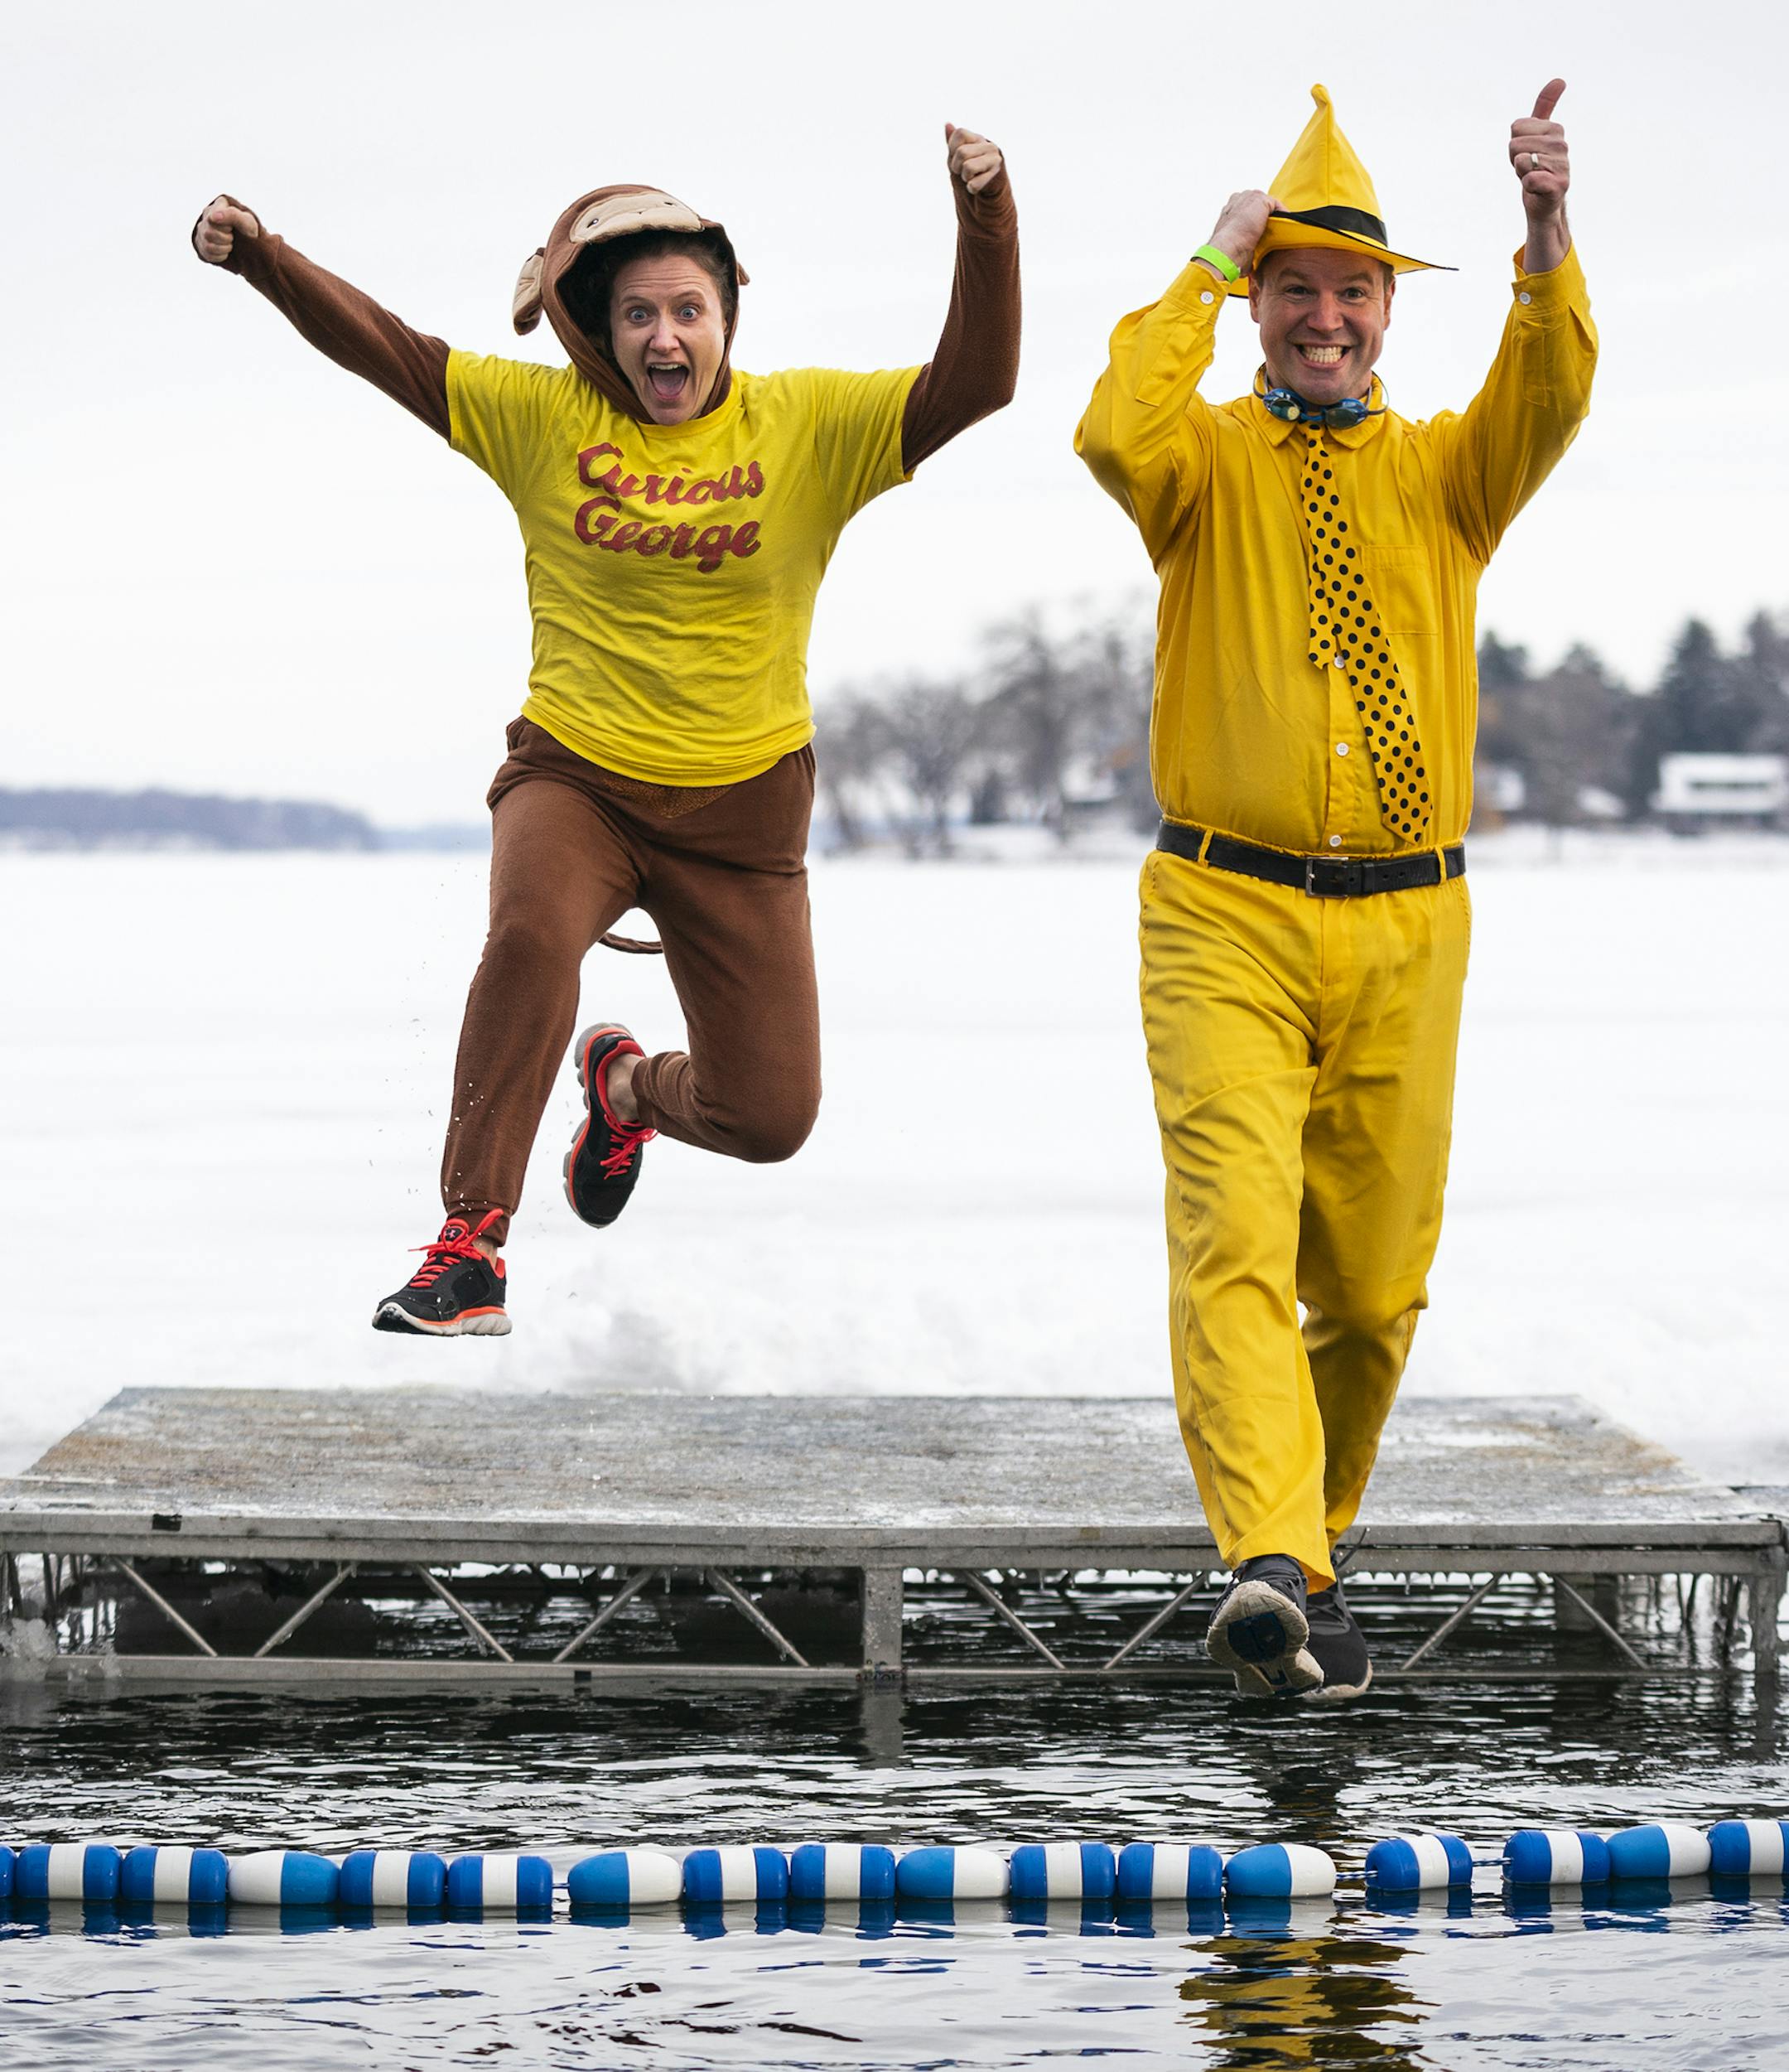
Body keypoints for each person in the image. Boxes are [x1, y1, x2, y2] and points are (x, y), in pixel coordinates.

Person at [193, 128, 1019, 1336]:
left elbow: (977, 382)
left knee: (770, 1116)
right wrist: (267, 259)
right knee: (528, 935)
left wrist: (985, 217)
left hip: (741, 812)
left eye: (688, 307)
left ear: (730, 313)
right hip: (572, 779)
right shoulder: (541, 418)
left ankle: (625, 1088)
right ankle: (470, 1243)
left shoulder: (810, 429)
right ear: (597, 330)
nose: (665, 337)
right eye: (637, 314)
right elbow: (389, 351)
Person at [1076, 82, 1594, 1699]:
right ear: (1262, 308)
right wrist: (1209, 263)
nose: (1322, 317)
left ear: (1384, 317)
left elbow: (1554, 388)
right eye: (1294, 289)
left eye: (1348, 293)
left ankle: (1310, 1553)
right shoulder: (1200, 465)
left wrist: (1545, 230)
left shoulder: (1451, 478)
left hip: (1409, 923)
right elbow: (1114, 430)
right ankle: (1275, 1560)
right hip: (1222, 912)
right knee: (1235, 1236)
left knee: (1370, 1293)